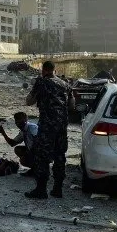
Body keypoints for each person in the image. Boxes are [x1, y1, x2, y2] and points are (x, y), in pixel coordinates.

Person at [25, 61, 72, 199]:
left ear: (43, 70)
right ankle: (57, 189)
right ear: (54, 70)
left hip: (47, 125)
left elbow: (29, 101)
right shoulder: (65, 84)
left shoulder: (42, 82)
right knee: (59, 156)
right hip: (62, 126)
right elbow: (72, 104)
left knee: (43, 156)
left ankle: (41, 190)